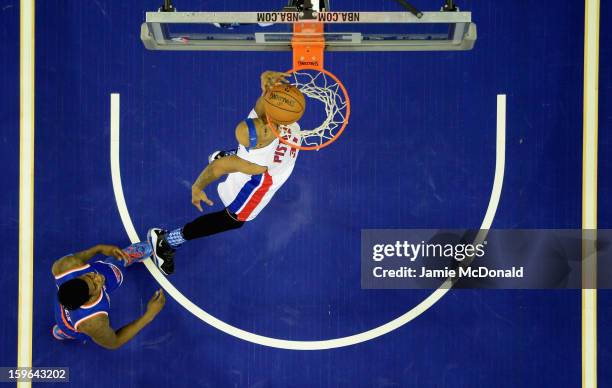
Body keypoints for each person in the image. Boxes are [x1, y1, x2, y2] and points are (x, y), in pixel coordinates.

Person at [148, 70, 303, 275]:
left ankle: (230, 154)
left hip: (247, 158)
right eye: (266, 129)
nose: (269, 124)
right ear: (259, 145)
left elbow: (262, 106)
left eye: (264, 122)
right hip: (261, 182)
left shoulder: (263, 120)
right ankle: (167, 241)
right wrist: (197, 187)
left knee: (234, 158)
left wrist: (267, 85)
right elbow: (217, 169)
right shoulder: (257, 163)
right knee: (234, 220)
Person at [52, 242, 166, 349]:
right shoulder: (93, 322)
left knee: (112, 271)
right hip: (73, 326)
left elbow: (86, 253)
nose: (98, 277)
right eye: (95, 285)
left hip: (69, 299)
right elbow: (114, 343)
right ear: (89, 299)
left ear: (76, 277)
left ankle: (124, 259)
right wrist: (149, 315)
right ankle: (65, 332)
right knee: (98, 330)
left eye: (89, 275)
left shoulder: (65, 266)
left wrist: (100, 248)